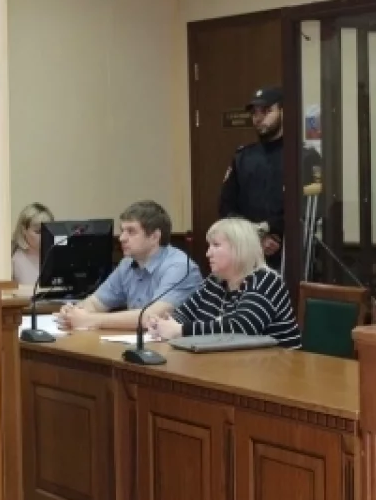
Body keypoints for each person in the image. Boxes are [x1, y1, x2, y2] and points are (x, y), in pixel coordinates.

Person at [151, 217, 302, 349]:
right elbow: (184, 314)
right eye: (209, 246)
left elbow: (243, 327)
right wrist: (163, 325)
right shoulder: (215, 281)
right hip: (232, 364)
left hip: (278, 366)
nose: (208, 253)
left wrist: (181, 330)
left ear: (240, 249)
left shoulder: (266, 280)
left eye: (216, 245)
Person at [218, 86, 321, 271]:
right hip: (246, 253)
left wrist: (273, 232)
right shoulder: (243, 157)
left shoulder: (303, 156)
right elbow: (226, 207)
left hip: (290, 255)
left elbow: (310, 209)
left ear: (283, 111)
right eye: (254, 113)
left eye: (266, 111)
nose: (258, 118)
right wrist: (255, 237)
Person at [56, 201, 201, 331]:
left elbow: (153, 316)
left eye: (131, 231)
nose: (122, 238)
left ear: (154, 237)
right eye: (122, 230)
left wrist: (92, 320)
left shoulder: (180, 267)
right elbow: (95, 303)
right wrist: (73, 313)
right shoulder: (127, 264)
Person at [11, 203, 54, 286]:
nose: (44, 236)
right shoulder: (13, 260)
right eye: (38, 231)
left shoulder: (55, 257)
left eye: (48, 230)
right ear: (24, 230)